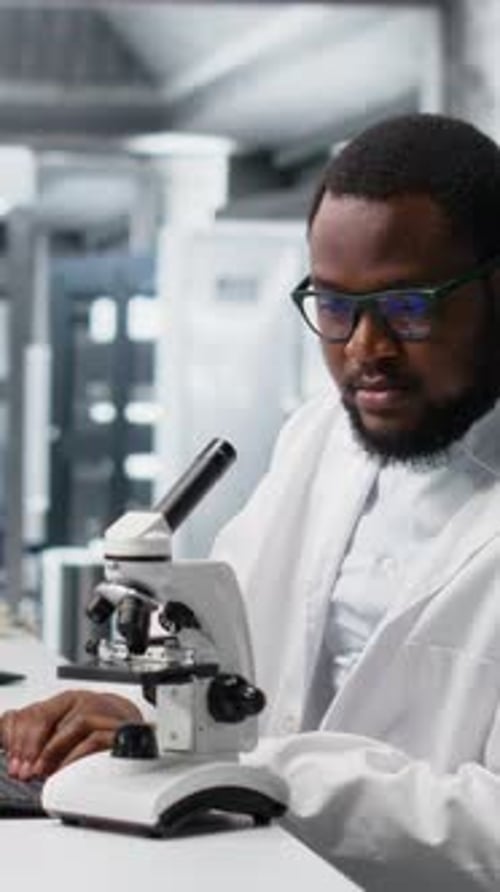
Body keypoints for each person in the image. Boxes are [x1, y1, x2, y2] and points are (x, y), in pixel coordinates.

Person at [3, 112, 500, 889]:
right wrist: (141, 724)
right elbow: (218, 650)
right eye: (334, 308)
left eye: (408, 307)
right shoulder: (319, 439)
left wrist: (254, 774)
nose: (365, 348)